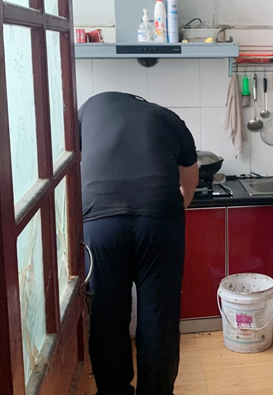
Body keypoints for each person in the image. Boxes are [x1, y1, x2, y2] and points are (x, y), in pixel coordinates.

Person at [78, 91, 199, 395]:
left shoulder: (89, 109)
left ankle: (113, 391)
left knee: (107, 312)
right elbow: (190, 178)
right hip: (159, 217)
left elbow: (73, 160)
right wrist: (176, 207)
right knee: (159, 312)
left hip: (100, 220)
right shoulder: (169, 118)